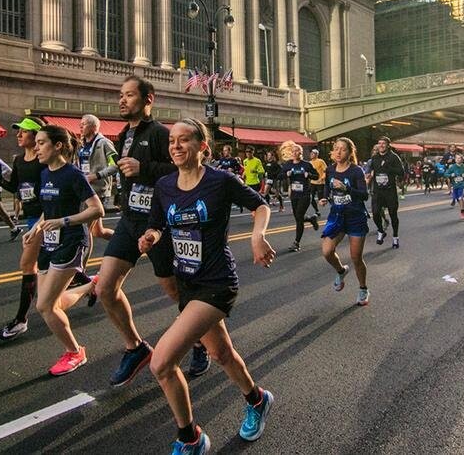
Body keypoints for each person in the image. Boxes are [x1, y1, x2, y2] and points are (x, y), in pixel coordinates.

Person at [141, 118, 275, 453]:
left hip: (217, 282)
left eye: (184, 140)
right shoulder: (165, 185)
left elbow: (260, 206)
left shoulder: (220, 181)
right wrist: (151, 236)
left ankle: (190, 439)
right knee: (220, 353)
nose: (175, 146)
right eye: (172, 141)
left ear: (202, 146)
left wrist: (257, 236)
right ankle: (258, 400)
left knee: (161, 363)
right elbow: (157, 224)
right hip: (187, 282)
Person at [96, 75, 207, 386]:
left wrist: (143, 169)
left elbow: (181, 170)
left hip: (158, 224)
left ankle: (200, 340)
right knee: (105, 288)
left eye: (129, 95)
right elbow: (125, 170)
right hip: (129, 220)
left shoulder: (160, 134)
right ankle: (135, 348)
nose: (122, 100)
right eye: (121, 94)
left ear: (148, 99)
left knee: (175, 291)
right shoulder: (123, 135)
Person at [25, 125, 104, 376]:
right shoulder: (44, 174)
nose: (36, 148)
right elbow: (48, 211)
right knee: (52, 303)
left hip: (71, 241)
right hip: (49, 242)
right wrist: (36, 228)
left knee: (45, 306)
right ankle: (90, 285)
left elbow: (97, 209)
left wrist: (63, 222)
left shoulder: (73, 175)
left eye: (41, 143)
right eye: (36, 143)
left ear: (58, 145)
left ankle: (75, 352)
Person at [0, 117, 48, 340]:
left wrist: (42, 221)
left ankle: (21, 320)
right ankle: (89, 284)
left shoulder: (43, 161)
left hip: (46, 218)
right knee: (49, 265)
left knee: (28, 265)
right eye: (18, 131)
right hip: (30, 216)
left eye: (23, 131)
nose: (18, 135)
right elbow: (15, 187)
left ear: (36, 136)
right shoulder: (18, 161)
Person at [318, 138, 371, 306]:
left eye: (343, 149)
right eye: (336, 149)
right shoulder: (330, 169)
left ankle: (363, 288)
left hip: (355, 217)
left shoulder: (356, 171)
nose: (339, 152)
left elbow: (364, 195)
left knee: (356, 258)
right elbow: (328, 186)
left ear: (350, 152)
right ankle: (341, 271)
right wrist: (325, 197)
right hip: (337, 216)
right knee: (327, 251)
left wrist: (346, 188)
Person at [78, 114, 119, 241]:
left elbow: (116, 165)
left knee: (85, 230)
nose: (80, 127)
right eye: (80, 124)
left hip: (97, 191)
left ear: (94, 126)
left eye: (83, 124)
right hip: (84, 188)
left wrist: (96, 176)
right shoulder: (82, 144)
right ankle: (124, 243)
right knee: (98, 231)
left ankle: (83, 255)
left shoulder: (104, 143)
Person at [279, 141, 319, 252]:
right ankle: (311, 218)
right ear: (291, 153)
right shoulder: (288, 164)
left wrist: (309, 175)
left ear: (300, 153)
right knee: (298, 217)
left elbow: (316, 176)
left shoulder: (306, 165)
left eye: (297, 151)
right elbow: (279, 176)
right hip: (294, 194)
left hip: (305, 194)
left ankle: (296, 243)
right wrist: (286, 174)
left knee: (299, 217)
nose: (295, 153)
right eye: (293, 151)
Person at [366, 136, 405, 249]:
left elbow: (401, 172)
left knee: (393, 215)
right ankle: (381, 231)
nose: (381, 145)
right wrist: (367, 176)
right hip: (378, 191)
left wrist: (389, 168)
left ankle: (395, 237)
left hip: (390, 191)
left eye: (383, 143)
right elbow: (368, 171)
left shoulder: (393, 157)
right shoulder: (375, 158)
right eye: (379, 143)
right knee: (375, 213)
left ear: (388, 145)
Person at [446, 154, 464, 219]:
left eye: (459, 158)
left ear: (462, 159)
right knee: (457, 198)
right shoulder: (452, 167)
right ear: (455, 159)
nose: (458, 159)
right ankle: (462, 209)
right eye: (457, 158)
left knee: (460, 197)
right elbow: (446, 174)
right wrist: (451, 175)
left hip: (462, 185)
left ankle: (462, 211)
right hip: (455, 185)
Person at [309, 148, 327, 217]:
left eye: (313, 153)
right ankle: (317, 211)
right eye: (311, 153)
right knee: (311, 198)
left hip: (320, 182)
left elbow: (325, 171)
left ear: (316, 155)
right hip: (312, 182)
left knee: (321, 199)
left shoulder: (320, 161)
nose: (311, 154)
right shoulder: (309, 163)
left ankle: (330, 201)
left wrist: (322, 178)